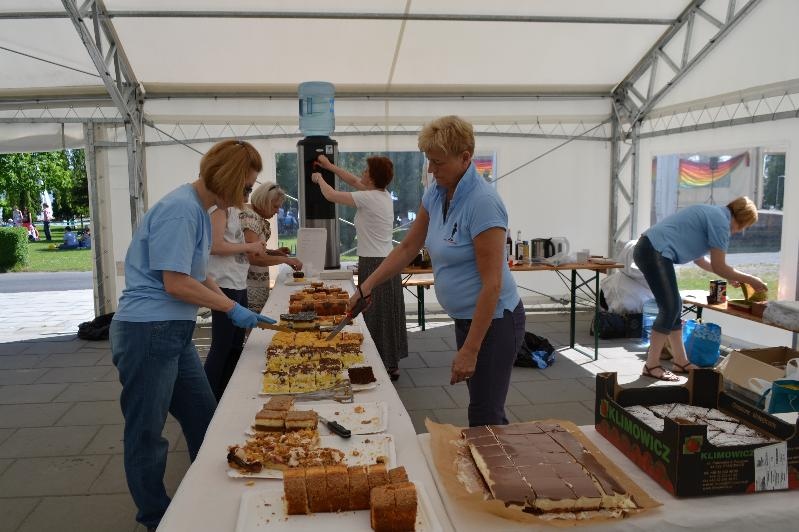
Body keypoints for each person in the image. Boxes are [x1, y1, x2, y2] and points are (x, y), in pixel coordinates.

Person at [110, 139, 275, 531]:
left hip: (172, 331)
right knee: (146, 434)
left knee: (205, 418)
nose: (247, 195)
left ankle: (212, 500)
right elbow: (176, 283)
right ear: (229, 177)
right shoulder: (182, 211)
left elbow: (199, 275)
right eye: (246, 186)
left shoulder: (200, 210)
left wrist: (235, 306)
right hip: (148, 332)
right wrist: (230, 309)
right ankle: (156, 518)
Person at [344, 116, 524, 426]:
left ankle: (499, 457)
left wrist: (470, 350)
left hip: (495, 320)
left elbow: (492, 285)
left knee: (485, 414)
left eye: (438, 162)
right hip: (467, 318)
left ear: (465, 158)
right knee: (483, 408)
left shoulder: (483, 203)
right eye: (429, 160)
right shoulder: (437, 193)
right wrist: (366, 286)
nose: (430, 169)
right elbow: (406, 248)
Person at [633, 196, 768, 381]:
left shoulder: (714, 214)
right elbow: (720, 266)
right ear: (742, 220)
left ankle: (680, 361)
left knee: (675, 307)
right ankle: (651, 365)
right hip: (654, 251)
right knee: (670, 308)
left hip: (649, 248)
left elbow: (700, 260)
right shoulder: (721, 223)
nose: (739, 231)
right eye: (744, 226)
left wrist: (730, 276)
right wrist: (751, 280)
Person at [312, 154, 409, 380]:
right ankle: (390, 362)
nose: (362, 173)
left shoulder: (369, 198)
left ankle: (382, 363)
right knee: (386, 312)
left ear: (373, 178)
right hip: (385, 260)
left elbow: (331, 195)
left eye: (366, 171)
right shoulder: (382, 195)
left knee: (375, 313)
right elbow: (353, 181)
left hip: (375, 263)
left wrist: (318, 178)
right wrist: (329, 166)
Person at [204, 197, 270, 401]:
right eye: (246, 189)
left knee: (235, 345)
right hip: (225, 282)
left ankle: (226, 395)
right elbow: (215, 246)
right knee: (222, 346)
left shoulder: (233, 210)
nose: (248, 195)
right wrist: (249, 247)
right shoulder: (219, 209)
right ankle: (208, 400)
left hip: (238, 282)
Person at [239, 182, 303, 312]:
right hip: (248, 286)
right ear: (264, 202)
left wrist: (273, 252)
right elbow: (254, 257)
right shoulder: (250, 218)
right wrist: (285, 260)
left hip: (254, 284)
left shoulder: (254, 216)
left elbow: (250, 249)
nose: (277, 211)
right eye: (275, 206)